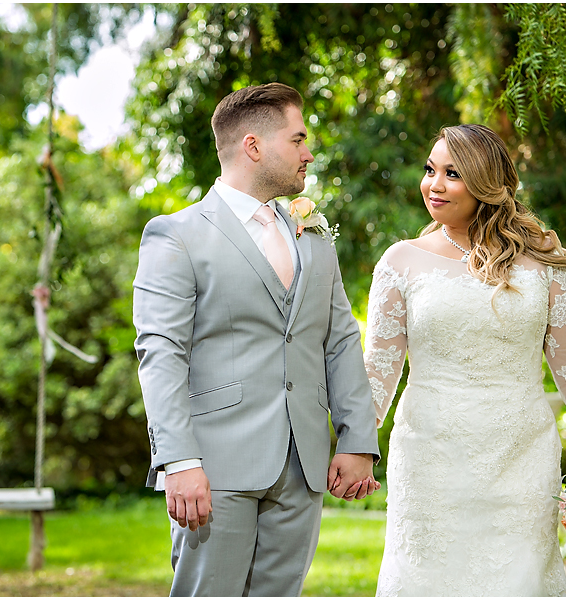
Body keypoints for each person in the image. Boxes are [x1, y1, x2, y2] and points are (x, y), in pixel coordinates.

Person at [133, 82, 381, 597]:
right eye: (298, 139)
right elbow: (161, 354)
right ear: (253, 146)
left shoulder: (313, 236)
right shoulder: (176, 235)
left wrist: (357, 440)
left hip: (302, 466)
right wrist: (178, 461)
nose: (308, 153)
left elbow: (338, 341)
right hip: (214, 465)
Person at [364, 124, 566, 596]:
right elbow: (379, 371)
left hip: (521, 454)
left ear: (487, 183)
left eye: (452, 173)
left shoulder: (543, 262)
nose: (434, 184)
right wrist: (357, 446)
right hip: (430, 454)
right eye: (430, 169)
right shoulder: (401, 262)